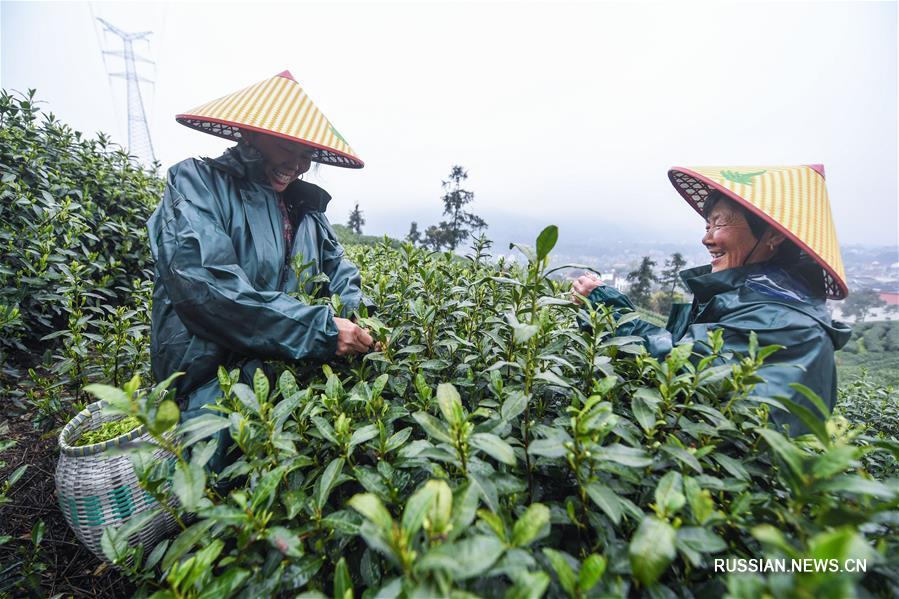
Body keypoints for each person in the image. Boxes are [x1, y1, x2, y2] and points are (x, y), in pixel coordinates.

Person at [148, 71, 375, 466]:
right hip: (207, 389)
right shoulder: (195, 183)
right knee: (202, 502)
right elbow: (206, 290)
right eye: (288, 146)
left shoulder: (306, 211)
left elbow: (339, 270)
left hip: (284, 385)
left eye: (307, 153)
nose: (298, 164)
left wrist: (358, 321)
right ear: (250, 134)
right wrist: (319, 329)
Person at [572, 165, 851, 435]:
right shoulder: (759, 296)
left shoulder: (784, 319)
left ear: (773, 234)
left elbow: (682, 373)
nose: (707, 238)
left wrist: (609, 313)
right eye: (708, 224)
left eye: (719, 222)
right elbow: (687, 349)